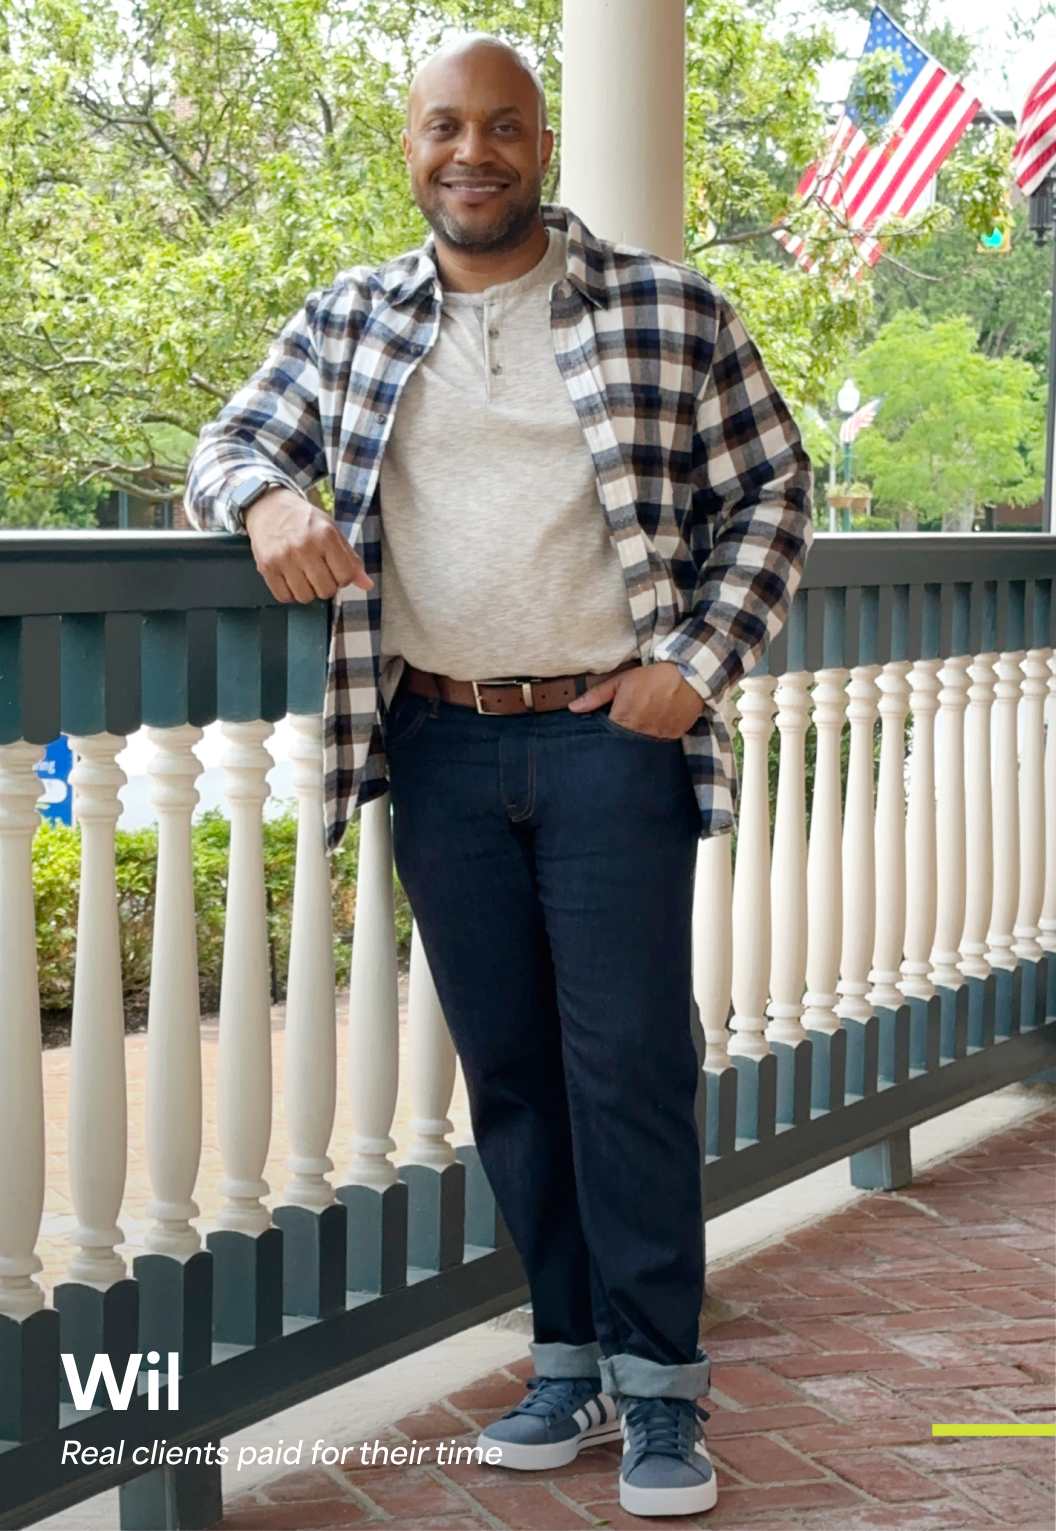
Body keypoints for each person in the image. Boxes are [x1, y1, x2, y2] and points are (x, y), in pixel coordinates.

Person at [184, 32, 813, 1519]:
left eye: (505, 126)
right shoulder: (346, 319)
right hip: (438, 742)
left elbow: (779, 489)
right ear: (409, 147)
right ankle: (568, 1357)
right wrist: (270, 495)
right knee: (515, 1076)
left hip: (609, 743)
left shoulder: (666, 310)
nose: (473, 152)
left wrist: (698, 664)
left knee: (630, 1069)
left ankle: (663, 1392)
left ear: (544, 143)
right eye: (444, 128)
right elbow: (230, 440)